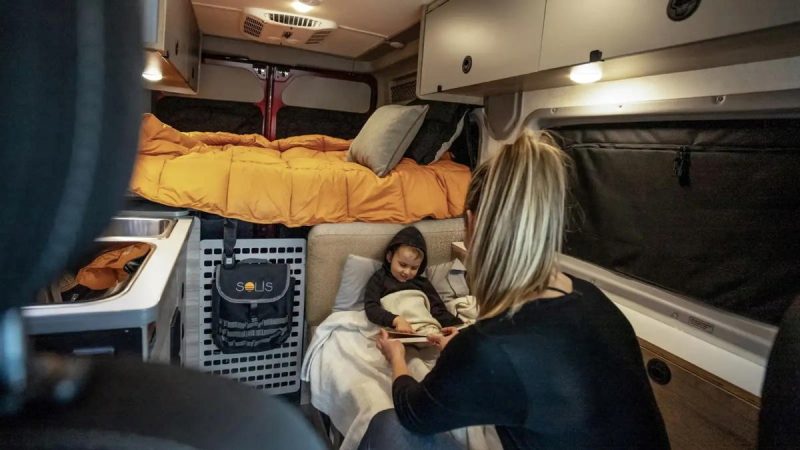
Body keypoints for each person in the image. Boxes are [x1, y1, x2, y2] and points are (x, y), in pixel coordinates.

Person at [361, 131, 670, 449]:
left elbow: (413, 413)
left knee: (389, 427)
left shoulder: (489, 345)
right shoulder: (596, 300)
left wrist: (397, 356)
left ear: (472, 224)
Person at [364, 226, 463, 333]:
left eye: (414, 268)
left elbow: (438, 310)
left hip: (427, 329)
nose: (407, 272)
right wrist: (395, 320)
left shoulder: (422, 283)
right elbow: (371, 308)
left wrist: (457, 326)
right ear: (389, 257)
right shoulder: (379, 278)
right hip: (397, 330)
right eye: (402, 264)